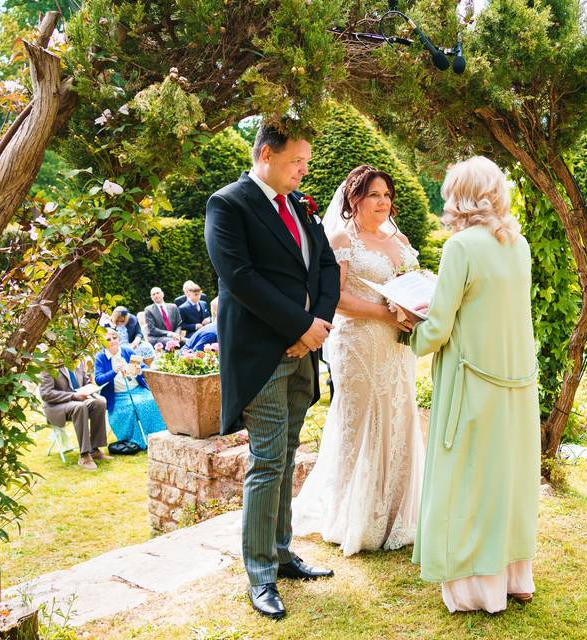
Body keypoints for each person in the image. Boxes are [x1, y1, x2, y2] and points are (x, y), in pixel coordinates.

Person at [205, 122, 341, 620]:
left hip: (304, 349)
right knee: (265, 462)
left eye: (305, 161)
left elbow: (326, 266)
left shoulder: (300, 205)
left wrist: (318, 324)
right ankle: (260, 574)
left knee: (287, 453)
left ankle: (282, 553)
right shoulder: (228, 204)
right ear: (266, 154)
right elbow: (239, 278)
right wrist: (300, 326)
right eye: (296, 162)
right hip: (264, 355)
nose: (304, 170)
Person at [407, 156, 540, 613]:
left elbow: (438, 326)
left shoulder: (460, 247)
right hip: (517, 382)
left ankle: (476, 590)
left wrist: (409, 328)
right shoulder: (517, 243)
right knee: (508, 480)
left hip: (473, 382)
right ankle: (516, 577)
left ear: (458, 197)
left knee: (468, 480)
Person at [292, 165, 424, 556]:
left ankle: (397, 512)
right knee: (362, 422)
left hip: (395, 343)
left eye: (386, 195)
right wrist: (386, 313)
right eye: (374, 195)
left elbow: (412, 281)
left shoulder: (396, 238)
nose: (383, 202)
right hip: (359, 344)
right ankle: (356, 515)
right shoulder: (341, 239)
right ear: (354, 199)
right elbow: (336, 298)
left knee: (398, 416)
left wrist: (414, 309)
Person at [94, 328, 167, 450]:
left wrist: (139, 371)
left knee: (150, 401)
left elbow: (144, 368)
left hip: (138, 390)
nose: (112, 341)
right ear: (102, 342)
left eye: (114, 337)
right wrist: (114, 371)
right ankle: (136, 441)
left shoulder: (127, 350)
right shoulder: (100, 357)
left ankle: (156, 437)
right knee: (130, 408)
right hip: (117, 395)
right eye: (108, 339)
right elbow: (98, 379)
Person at [39, 357, 110, 471]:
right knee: (80, 407)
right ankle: (84, 455)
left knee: (99, 403)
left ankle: (94, 449)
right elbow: (46, 394)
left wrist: (92, 389)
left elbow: (84, 383)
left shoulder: (78, 360)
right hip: (56, 407)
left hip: (77, 402)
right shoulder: (49, 364)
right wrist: (73, 396)